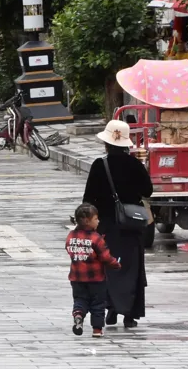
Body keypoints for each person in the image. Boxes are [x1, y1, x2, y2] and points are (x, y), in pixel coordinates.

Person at [82, 119, 153, 329]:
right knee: (132, 268)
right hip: (132, 226)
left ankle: (111, 310)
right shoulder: (135, 165)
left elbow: (88, 198)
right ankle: (129, 315)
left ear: (106, 144)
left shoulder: (99, 165)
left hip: (106, 226)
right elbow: (148, 191)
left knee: (109, 266)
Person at [66, 203, 120, 337]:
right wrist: (115, 264)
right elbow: (105, 257)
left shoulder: (71, 236)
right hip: (96, 279)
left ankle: (78, 315)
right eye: (96, 219)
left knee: (80, 299)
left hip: (76, 278)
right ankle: (97, 330)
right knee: (98, 304)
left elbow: (68, 248)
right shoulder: (96, 238)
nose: (98, 221)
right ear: (87, 221)